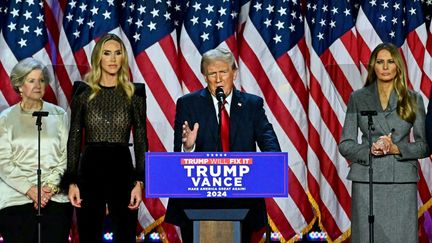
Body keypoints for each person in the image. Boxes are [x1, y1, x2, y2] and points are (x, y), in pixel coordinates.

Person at [164, 47, 281, 243]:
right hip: (197, 203)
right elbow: (179, 153)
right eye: (212, 73)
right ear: (204, 76)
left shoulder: (252, 105)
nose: (218, 79)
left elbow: (270, 143)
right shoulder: (188, 104)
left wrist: (270, 163)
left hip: (242, 201)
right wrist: (189, 148)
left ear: (234, 73)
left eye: (223, 72)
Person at [338, 43, 429, 242]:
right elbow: (345, 144)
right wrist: (369, 149)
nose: (385, 67)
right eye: (380, 62)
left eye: (390, 62)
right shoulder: (358, 98)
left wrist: (396, 148)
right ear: (373, 66)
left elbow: (425, 145)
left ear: (398, 66)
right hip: (367, 181)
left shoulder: (413, 99)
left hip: (401, 183)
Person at [64, 33, 147, 243]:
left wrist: (140, 182)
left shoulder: (133, 93)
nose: (112, 59)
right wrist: (72, 181)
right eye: (107, 53)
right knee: (89, 235)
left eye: (117, 53)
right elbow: (74, 138)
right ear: (98, 58)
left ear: (123, 58)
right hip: (90, 169)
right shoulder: (83, 93)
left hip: (122, 169)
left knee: (125, 235)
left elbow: (141, 140)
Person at [0, 58, 72, 242]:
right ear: (19, 85)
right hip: (16, 197)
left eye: (41, 80)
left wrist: (49, 187)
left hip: (54, 196)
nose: (38, 85)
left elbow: (67, 156)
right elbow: (3, 162)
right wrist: (30, 189)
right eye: (31, 80)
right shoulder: (6, 118)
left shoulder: (59, 115)